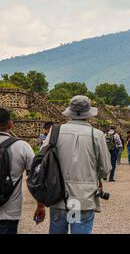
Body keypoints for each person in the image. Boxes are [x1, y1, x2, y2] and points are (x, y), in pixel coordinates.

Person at [36, 95, 111, 234]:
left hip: (58, 195)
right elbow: (106, 169)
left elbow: (42, 162)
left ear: (70, 111)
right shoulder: (97, 135)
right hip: (84, 197)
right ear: (88, 113)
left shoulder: (55, 132)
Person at [0, 108, 36, 234]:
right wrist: (41, 204)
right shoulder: (22, 146)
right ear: (10, 124)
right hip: (10, 212)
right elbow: (35, 177)